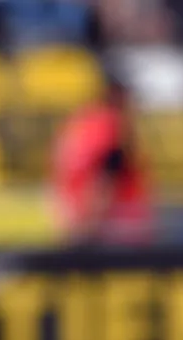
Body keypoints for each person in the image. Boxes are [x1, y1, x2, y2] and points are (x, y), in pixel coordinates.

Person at [51, 67, 156, 246]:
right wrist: (91, 221)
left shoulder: (80, 122)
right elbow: (105, 176)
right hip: (111, 227)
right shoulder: (112, 124)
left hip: (72, 217)